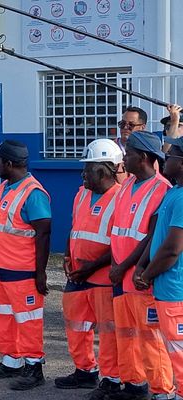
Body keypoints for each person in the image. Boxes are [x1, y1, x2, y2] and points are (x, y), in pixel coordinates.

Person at [54, 139, 123, 399]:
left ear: (105, 170)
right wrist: (68, 256)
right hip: (78, 275)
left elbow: (118, 243)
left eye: (88, 169)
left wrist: (90, 267)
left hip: (102, 278)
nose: (82, 174)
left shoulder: (120, 197)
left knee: (107, 332)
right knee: (76, 325)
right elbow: (75, 228)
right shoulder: (81, 192)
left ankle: (111, 378)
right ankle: (84, 370)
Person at [0, 140, 51, 391]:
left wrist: (40, 273)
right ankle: (11, 361)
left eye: (0, 161)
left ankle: (34, 367)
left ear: (9, 164)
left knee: (28, 321)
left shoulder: (33, 193)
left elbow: (44, 233)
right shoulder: (5, 186)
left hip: (22, 271)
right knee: (4, 317)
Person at [109, 131, 175, 400]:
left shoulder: (162, 190)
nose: (124, 159)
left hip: (138, 276)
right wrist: (116, 264)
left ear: (144, 158)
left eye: (129, 154)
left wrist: (124, 266)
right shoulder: (127, 184)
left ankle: (162, 390)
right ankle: (134, 385)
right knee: (126, 336)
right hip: (121, 275)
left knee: (151, 340)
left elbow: (151, 236)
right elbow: (118, 229)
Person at [137, 136, 183, 400]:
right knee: (172, 351)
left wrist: (147, 273)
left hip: (176, 290)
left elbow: (172, 248)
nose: (166, 158)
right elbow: (157, 237)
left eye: (173, 154)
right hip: (165, 289)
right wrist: (144, 266)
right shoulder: (173, 192)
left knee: (179, 353)